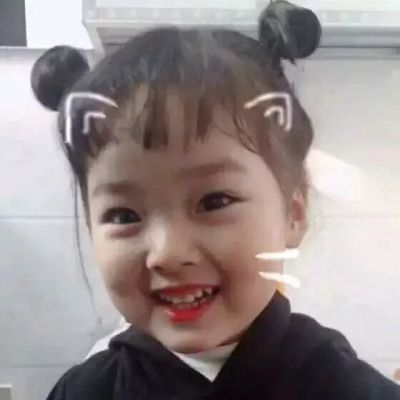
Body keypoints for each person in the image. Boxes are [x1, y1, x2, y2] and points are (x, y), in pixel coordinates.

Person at [31, 1, 400, 399]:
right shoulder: (86, 392)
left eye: (214, 201)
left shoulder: (348, 390)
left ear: (293, 213)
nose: (168, 253)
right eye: (123, 215)